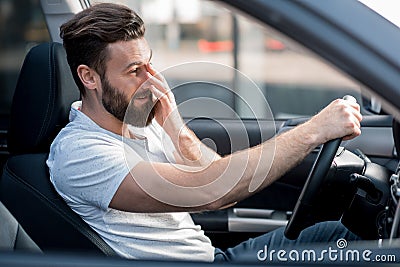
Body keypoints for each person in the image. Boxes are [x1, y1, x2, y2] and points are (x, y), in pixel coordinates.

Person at [47, 2, 363, 263]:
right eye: (134, 71)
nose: (153, 79)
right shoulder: (82, 154)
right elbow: (216, 191)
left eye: (150, 64)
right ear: (89, 77)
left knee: (354, 236)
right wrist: (313, 131)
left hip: (215, 256)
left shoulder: (139, 122)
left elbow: (208, 171)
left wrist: (174, 124)